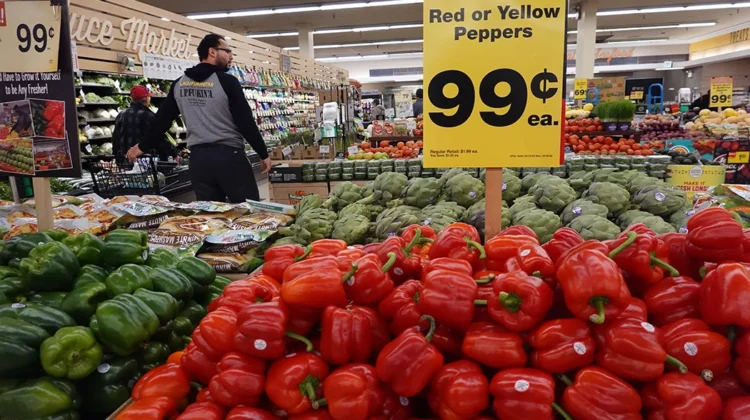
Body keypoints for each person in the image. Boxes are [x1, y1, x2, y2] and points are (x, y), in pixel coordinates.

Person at [127, 33, 271, 203]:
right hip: (230, 158)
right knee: (248, 211)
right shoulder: (227, 82)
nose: (230, 56)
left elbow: (162, 120)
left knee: (209, 217)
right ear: (212, 52)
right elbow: (245, 121)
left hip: (199, 161)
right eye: (227, 51)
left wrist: (143, 146)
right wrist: (263, 153)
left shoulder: (179, 84)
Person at [113, 86, 173, 160]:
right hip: (146, 162)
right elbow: (159, 138)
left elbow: (115, 139)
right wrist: (173, 152)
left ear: (132, 99)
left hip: (126, 161)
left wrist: (117, 157)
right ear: (147, 99)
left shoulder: (121, 115)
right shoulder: (149, 116)